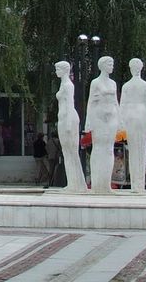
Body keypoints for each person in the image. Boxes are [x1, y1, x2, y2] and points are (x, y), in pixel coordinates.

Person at [84, 56, 120, 194]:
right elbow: (90, 102)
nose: (112, 66)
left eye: (112, 63)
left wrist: (120, 119)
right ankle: (96, 182)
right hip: (98, 117)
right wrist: (88, 121)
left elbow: (116, 101)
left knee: (109, 149)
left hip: (112, 117)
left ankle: (106, 183)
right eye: (110, 64)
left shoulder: (113, 83)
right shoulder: (95, 82)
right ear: (103, 65)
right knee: (98, 148)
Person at [120, 57, 146, 193]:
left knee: (133, 152)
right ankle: (139, 184)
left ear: (130, 68)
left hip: (130, 118)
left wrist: (122, 122)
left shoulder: (126, 86)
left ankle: (136, 184)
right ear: (141, 68)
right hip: (140, 117)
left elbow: (122, 105)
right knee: (141, 151)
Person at [54, 61, 87, 193]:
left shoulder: (68, 85)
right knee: (68, 153)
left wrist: (68, 124)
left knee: (71, 152)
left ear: (64, 70)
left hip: (68, 119)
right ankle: (75, 182)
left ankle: (76, 183)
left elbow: (69, 104)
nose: (56, 71)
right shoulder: (64, 84)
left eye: (58, 69)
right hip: (64, 119)